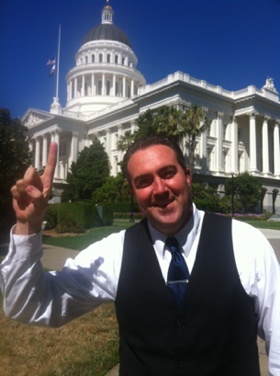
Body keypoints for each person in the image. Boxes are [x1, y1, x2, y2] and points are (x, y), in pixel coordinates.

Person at [1, 135, 280, 376]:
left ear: (188, 175)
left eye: (167, 173)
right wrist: (29, 226)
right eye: (144, 181)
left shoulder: (245, 242)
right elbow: (30, 306)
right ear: (133, 192)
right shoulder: (115, 251)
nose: (159, 189)